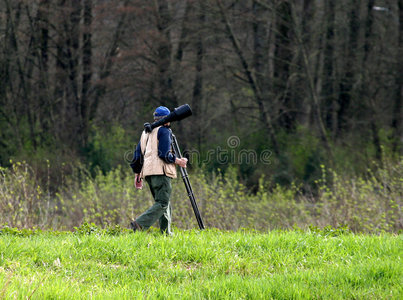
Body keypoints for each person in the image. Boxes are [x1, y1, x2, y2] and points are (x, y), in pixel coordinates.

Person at [129, 106, 187, 235]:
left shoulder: (145, 133)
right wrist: (179, 161)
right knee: (162, 203)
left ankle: (166, 233)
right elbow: (164, 154)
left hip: (148, 174)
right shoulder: (164, 131)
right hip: (161, 172)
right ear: (167, 120)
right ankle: (139, 224)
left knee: (163, 203)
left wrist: (137, 175)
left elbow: (137, 156)